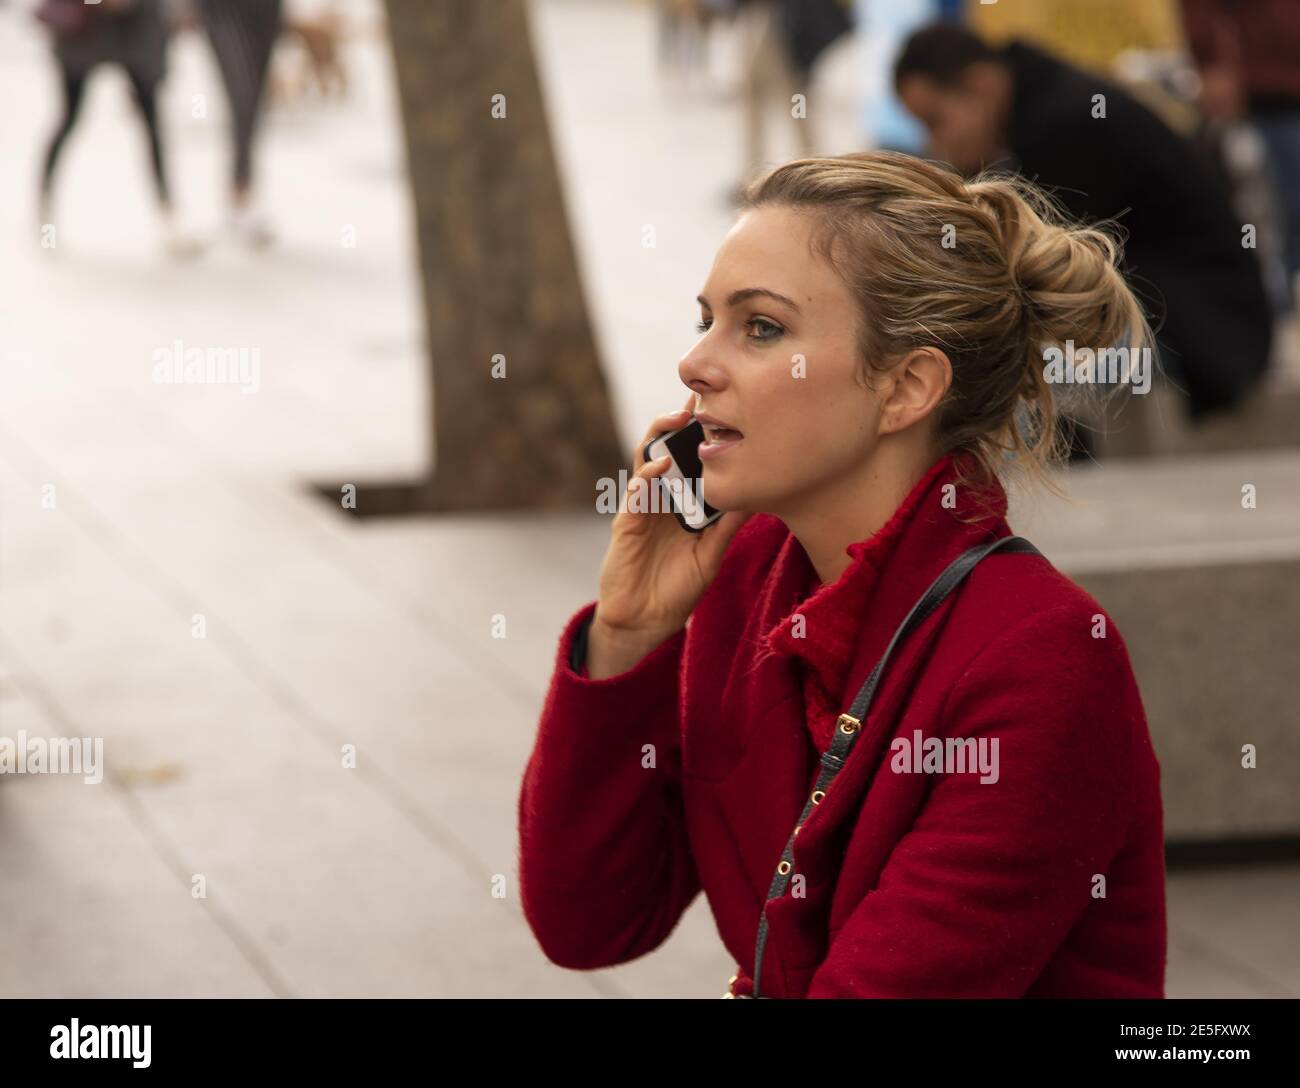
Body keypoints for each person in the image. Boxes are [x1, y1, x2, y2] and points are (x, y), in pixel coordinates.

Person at [517, 151, 1167, 998]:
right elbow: (589, 922)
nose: (694, 364)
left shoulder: (1041, 659)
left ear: (905, 388)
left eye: (760, 329)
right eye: (704, 319)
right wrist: (628, 635)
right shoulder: (744, 579)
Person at [893, 23, 1273, 422]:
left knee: (993, 368)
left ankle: (992, 483)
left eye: (935, 121)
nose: (931, 145)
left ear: (981, 84)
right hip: (1189, 319)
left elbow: (1045, 284)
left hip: (1203, 334)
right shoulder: (1048, 104)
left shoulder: (1065, 123)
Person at [37, 0, 192, 255]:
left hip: (135, 25)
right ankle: (45, 215)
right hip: (84, 26)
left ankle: (169, 216)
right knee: (69, 118)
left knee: (151, 122)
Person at [192, 0, 284, 247]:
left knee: (256, 100)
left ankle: (243, 189)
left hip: (265, 9)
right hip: (223, 9)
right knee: (241, 95)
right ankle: (240, 194)